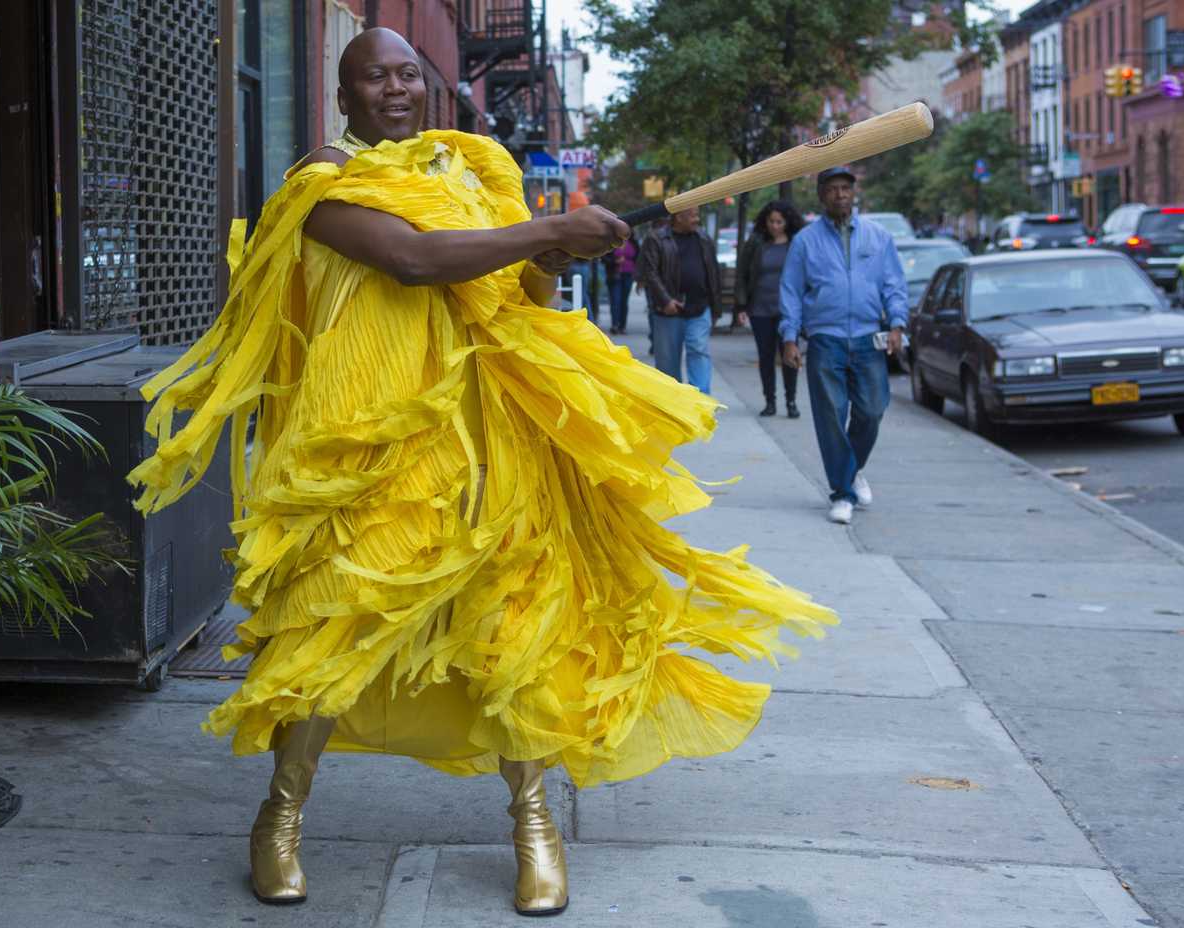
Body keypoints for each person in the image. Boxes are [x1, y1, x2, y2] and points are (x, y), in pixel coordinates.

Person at [128, 28, 833, 916]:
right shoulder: (322, 181)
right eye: (375, 77)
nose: (397, 88)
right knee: (331, 624)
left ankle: (533, 823)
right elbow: (412, 261)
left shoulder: (467, 172)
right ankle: (281, 816)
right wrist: (549, 227)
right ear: (342, 99)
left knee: (516, 621)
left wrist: (544, 262)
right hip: (369, 448)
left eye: (407, 74)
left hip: (489, 438)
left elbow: (510, 294)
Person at [779, 167, 909, 525]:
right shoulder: (805, 241)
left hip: (868, 336)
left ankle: (850, 469)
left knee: (872, 410)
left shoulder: (878, 237)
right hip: (825, 337)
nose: (840, 195)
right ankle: (842, 493)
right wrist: (789, 337)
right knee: (831, 416)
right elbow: (791, 291)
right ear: (822, 195)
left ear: (854, 193)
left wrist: (897, 324)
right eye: (833, 189)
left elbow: (894, 284)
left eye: (845, 189)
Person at [735, 200, 806, 418]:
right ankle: (770, 401)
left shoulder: (796, 243)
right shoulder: (756, 243)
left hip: (788, 311)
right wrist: (741, 305)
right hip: (760, 309)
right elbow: (742, 274)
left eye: (779, 222)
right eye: (771, 221)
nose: (775, 226)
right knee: (765, 357)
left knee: (789, 354)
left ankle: (791, 401)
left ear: (787, 222)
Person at [636, 205, 719, 392]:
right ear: (679, 216)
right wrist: (665, 300)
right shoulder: (656, 238)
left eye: (697, 215)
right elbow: (650, 272)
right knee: (667, 364)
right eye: (692, 215)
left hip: (699, 307)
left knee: (699, 351)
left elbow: (713, 273)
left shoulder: (704, 238)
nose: (697, 219)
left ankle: (701, 400)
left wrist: (715, 307)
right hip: (668, 311)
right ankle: (674, 402)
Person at [603, 236, 638, 334]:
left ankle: (622, 326)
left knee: (624, 301)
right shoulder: (611, 240)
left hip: (628, 275)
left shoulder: (633, 242)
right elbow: (604, 257)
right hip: (614, 275)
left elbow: (638, 257)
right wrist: (614, 261)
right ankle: (615, 325)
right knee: (615, 300)